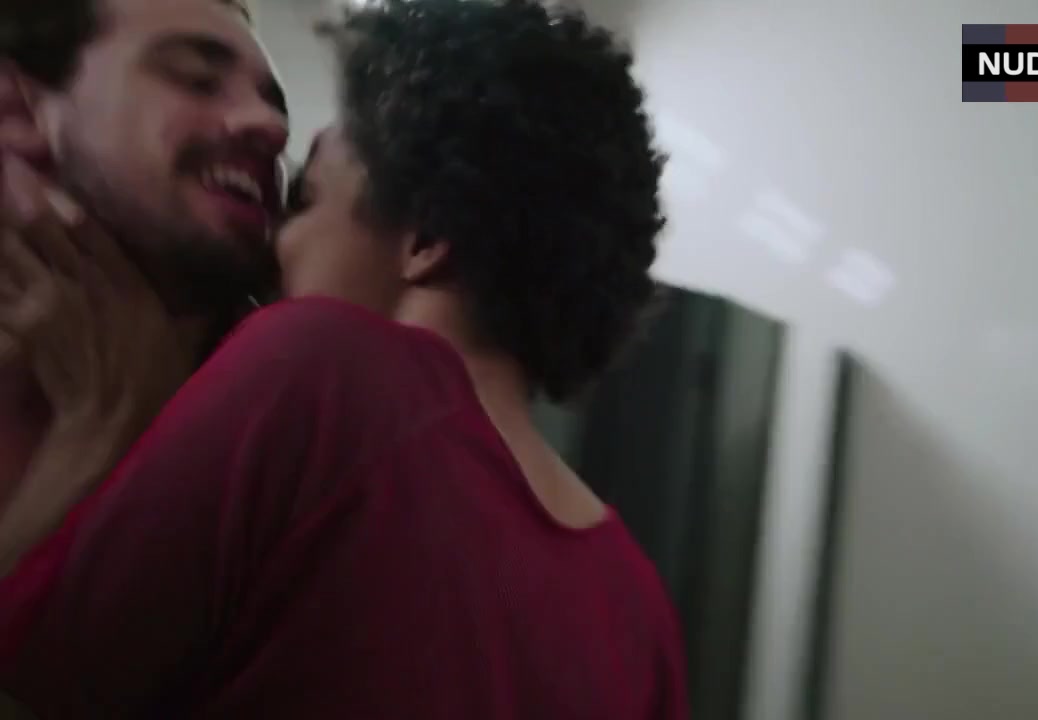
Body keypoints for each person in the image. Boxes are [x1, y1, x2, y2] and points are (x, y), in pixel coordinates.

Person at [0, 0, 687, 717]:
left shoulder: (322, 370)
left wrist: (99, 423)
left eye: (303, 201)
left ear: (425, 242)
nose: (273, 246)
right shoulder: (640, 611)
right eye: (197, 81)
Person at [0, 0, 288, 571]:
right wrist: (101, 425)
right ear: (18, 112)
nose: (275, 129)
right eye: (199, 80)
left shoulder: (294, 424)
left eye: (273, 103)